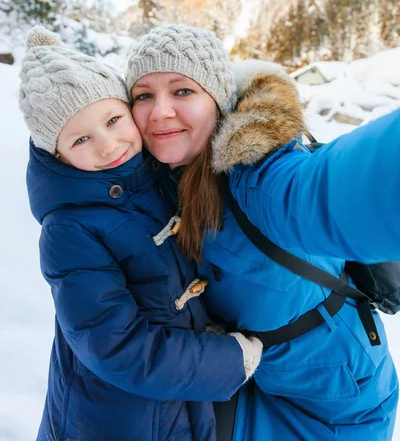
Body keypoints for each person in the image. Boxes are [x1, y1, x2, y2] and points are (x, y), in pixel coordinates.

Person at [126, 23, 400, 441]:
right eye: (144, 95)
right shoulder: (160, 177)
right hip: (250, 379)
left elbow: (333, 191)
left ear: (217, 100)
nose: (160, 111)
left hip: (330, 406)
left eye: (182, 91)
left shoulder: (258, 178)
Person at [19, 26, 263, 441]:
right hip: (111, 421)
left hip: (176, 407)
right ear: (57, 155)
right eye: (81, 138)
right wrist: (226, 359)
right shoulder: (68, 230)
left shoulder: (154, 176)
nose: (109, 144)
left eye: (114, 119)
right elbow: (115, 347)